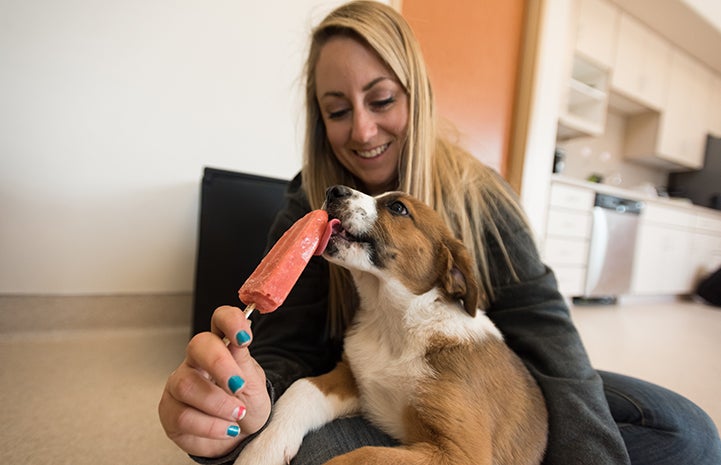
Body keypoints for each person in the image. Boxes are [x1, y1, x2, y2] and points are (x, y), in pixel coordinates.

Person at [158, 2, 721, 464]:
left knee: (687, 434)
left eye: (381, 99)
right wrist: (250, 401)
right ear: (319, 118)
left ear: (416, 96)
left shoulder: (479, 194)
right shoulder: (309, 203)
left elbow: (544, 330)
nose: (362, 129)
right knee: (310, 453)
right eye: (336, 110)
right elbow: (285, 349)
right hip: (362, 389)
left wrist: (580, 452)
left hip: (486, 390)